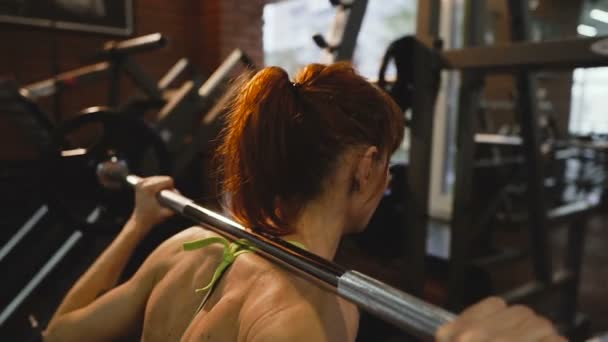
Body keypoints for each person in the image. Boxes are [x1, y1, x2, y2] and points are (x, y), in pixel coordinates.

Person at [43, 63, 565, 341]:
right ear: (365, 167)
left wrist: (135, 227)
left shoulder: (189, 241)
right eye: (386, 164)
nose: (386, 183)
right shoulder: (311, 315)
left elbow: (61, 332)